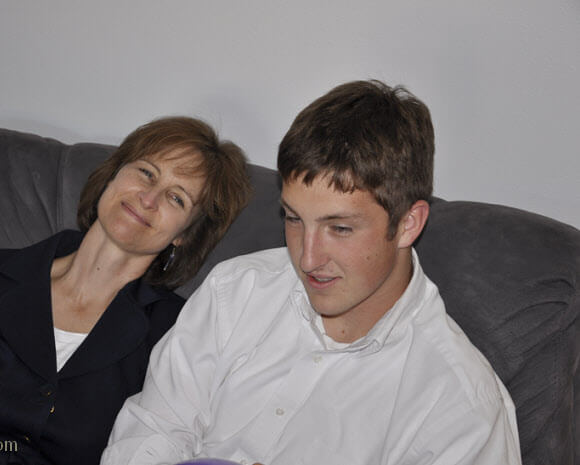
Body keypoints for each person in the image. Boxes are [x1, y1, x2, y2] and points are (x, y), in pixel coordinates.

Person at [101, 81, 522, 465]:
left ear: (408, 224)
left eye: (340, 228)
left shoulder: (462, 409)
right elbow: (153, 429)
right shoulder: (236, 289)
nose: (306, 259)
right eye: (293, 218)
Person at [0, 116, 252, 465]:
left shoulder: (177, 332)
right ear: (112, 175)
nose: (148, 198)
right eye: (146, 172)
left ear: (185, 234)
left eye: (176, 198)